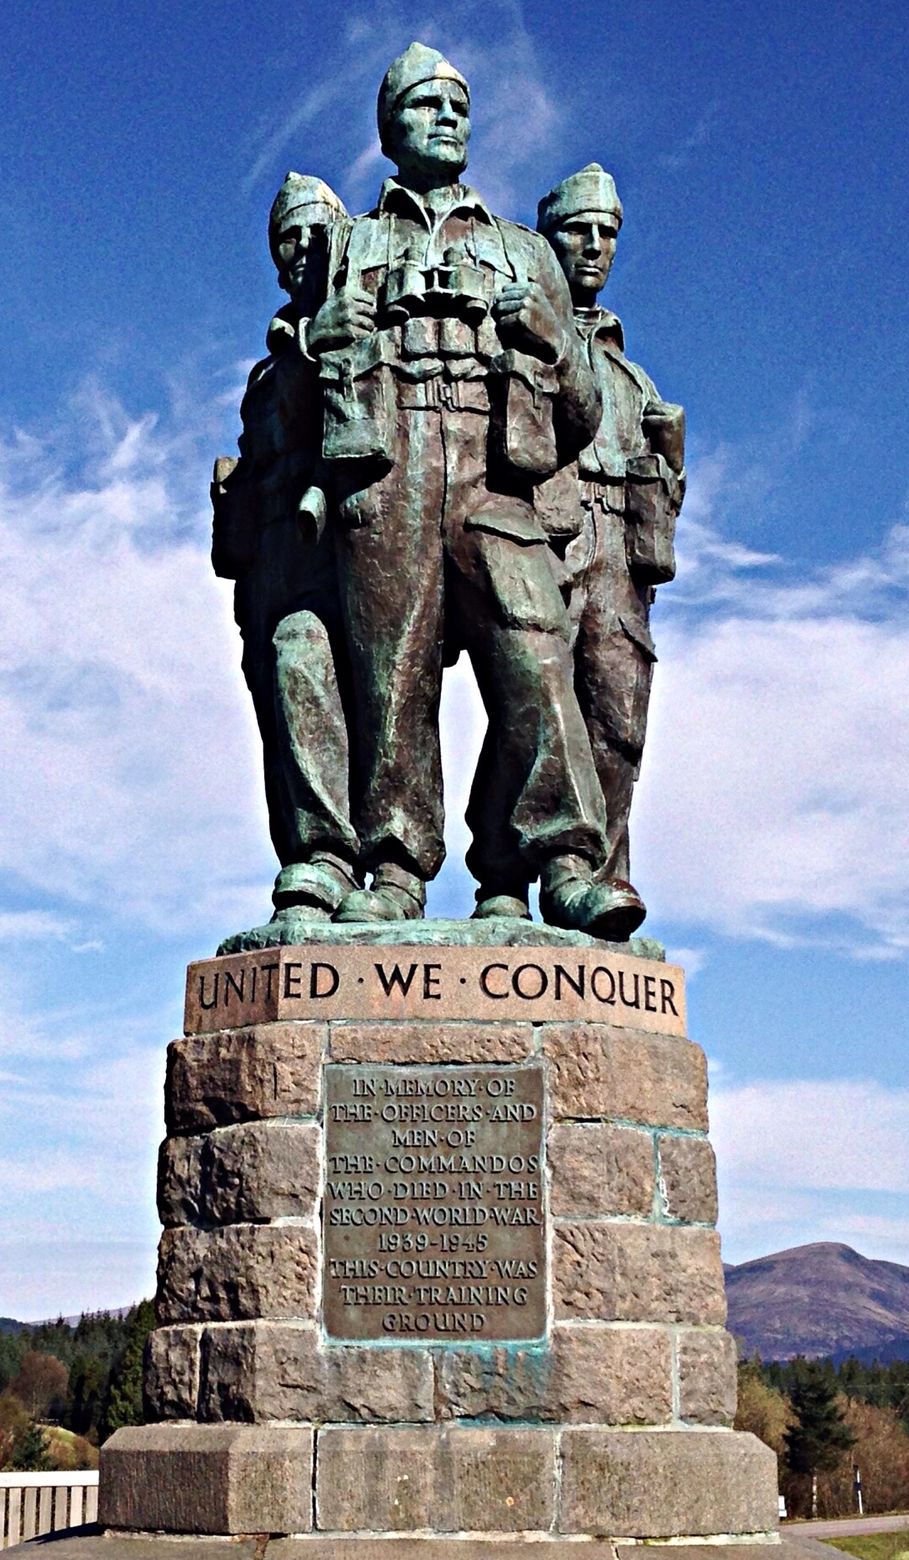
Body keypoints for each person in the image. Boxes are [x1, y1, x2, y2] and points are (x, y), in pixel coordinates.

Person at [308, 44, 642, 937]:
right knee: (391, 677)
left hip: (497, 476)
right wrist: (321, 344)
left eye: (458, 104)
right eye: (424, 105)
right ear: (389, 129)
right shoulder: (351, 246)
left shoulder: (522, 251)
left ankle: (568, 859)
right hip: (391, 468)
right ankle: (392, 865)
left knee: (536, 658)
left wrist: (557, 341)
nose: (447, 118)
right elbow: (295, 410)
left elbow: (584, 409)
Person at [534, 163, 685, 907]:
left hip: (619, 555)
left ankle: (604, 877)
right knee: (538, 709)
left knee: (618, 722)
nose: (594, 246)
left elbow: (667, 491)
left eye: (608, 233)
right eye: (578, 230)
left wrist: (668, 470)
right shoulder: (529, 340)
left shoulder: (634, 379)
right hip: (549, 540)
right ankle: (514, 871)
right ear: (546, 237)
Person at [212, 173, 360, 919]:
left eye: (311, 233)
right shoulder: (264, 370)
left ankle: (331, 855)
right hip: (264, 566)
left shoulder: (353, 332)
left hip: (334, 559)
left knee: (312, 665)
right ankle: (305, 865)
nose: (299, 250)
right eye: (285, 239)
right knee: (283, 720)